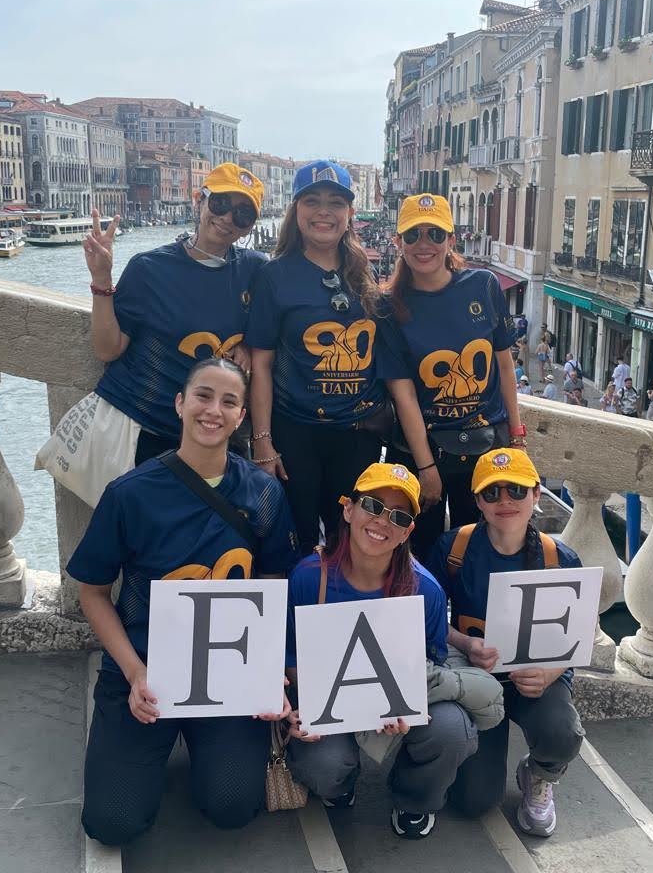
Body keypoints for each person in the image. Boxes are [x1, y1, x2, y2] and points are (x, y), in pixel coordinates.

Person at [71, 358, 300, 847]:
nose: (213, 410)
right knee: (112, 823)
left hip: (228, 671)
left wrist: (266, 670)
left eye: (229, 401)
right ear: (180, 403)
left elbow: (273, 579)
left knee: (232, 807)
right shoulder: (130, 494)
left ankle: (209, 747)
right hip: (147, 668)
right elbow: (93, 592)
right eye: (203, 395)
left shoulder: (263, 493)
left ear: (241, 417)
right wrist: (134, 672)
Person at [285, 463, 477, 840]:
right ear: (348, 509)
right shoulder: (308, 577)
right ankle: (340, 785)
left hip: (390, 704)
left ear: (408, 531)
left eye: (399, 516)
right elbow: (291, 656)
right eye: (373, 505)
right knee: (323, 764)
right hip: (329, 700)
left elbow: (429, 665)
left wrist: (403, 705)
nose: (382, 521)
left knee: (451, 729)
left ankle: (415, 797)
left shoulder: (426, 591)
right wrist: (302, 708)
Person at [429, 449, 585, 836]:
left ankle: (541, 773)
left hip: (536, 675)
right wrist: (465, 643)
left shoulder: (560, 558)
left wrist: (550, 673)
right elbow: (427, 620)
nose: (505, 501)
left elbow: (575, 636)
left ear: (536, 495)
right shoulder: (453, 548)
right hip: (476, 676)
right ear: (478, 501)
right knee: (474, 801)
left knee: (561, 732)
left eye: (516, 490)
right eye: (492, 492)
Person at [86, 162, 266, 465]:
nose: (227, 218)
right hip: (149, 428)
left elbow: (268, 329)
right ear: (199, 200)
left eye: (242, 214)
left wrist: (248, 344)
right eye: (220, 203)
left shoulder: (256, 269)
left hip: (219, 435)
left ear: (250, 226)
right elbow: (109, 349)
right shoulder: (148, 268)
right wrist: (102, 279)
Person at [248, 161, 387, 548]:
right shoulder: (274, 276)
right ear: (296, 210)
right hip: (296, 433)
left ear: (349, 213)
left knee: (351, 540)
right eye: (312, 201)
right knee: (299, 537)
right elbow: (261, 365)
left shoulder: (365, 272)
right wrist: (262, 442)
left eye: (335, 202)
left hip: (357, 434)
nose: (323, 211)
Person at [382, 193, 524, 559]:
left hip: (485, 446)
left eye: (434, 234)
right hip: (421, 449)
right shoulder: (388, 306)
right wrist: (427, 466)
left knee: (481, 552)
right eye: (412, 235)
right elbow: (403, 394)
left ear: (451, 240)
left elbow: (504, 365)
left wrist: (517, 435)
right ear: (398, 242)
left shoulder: (484, 285)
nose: (424, 244)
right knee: (418, 553)